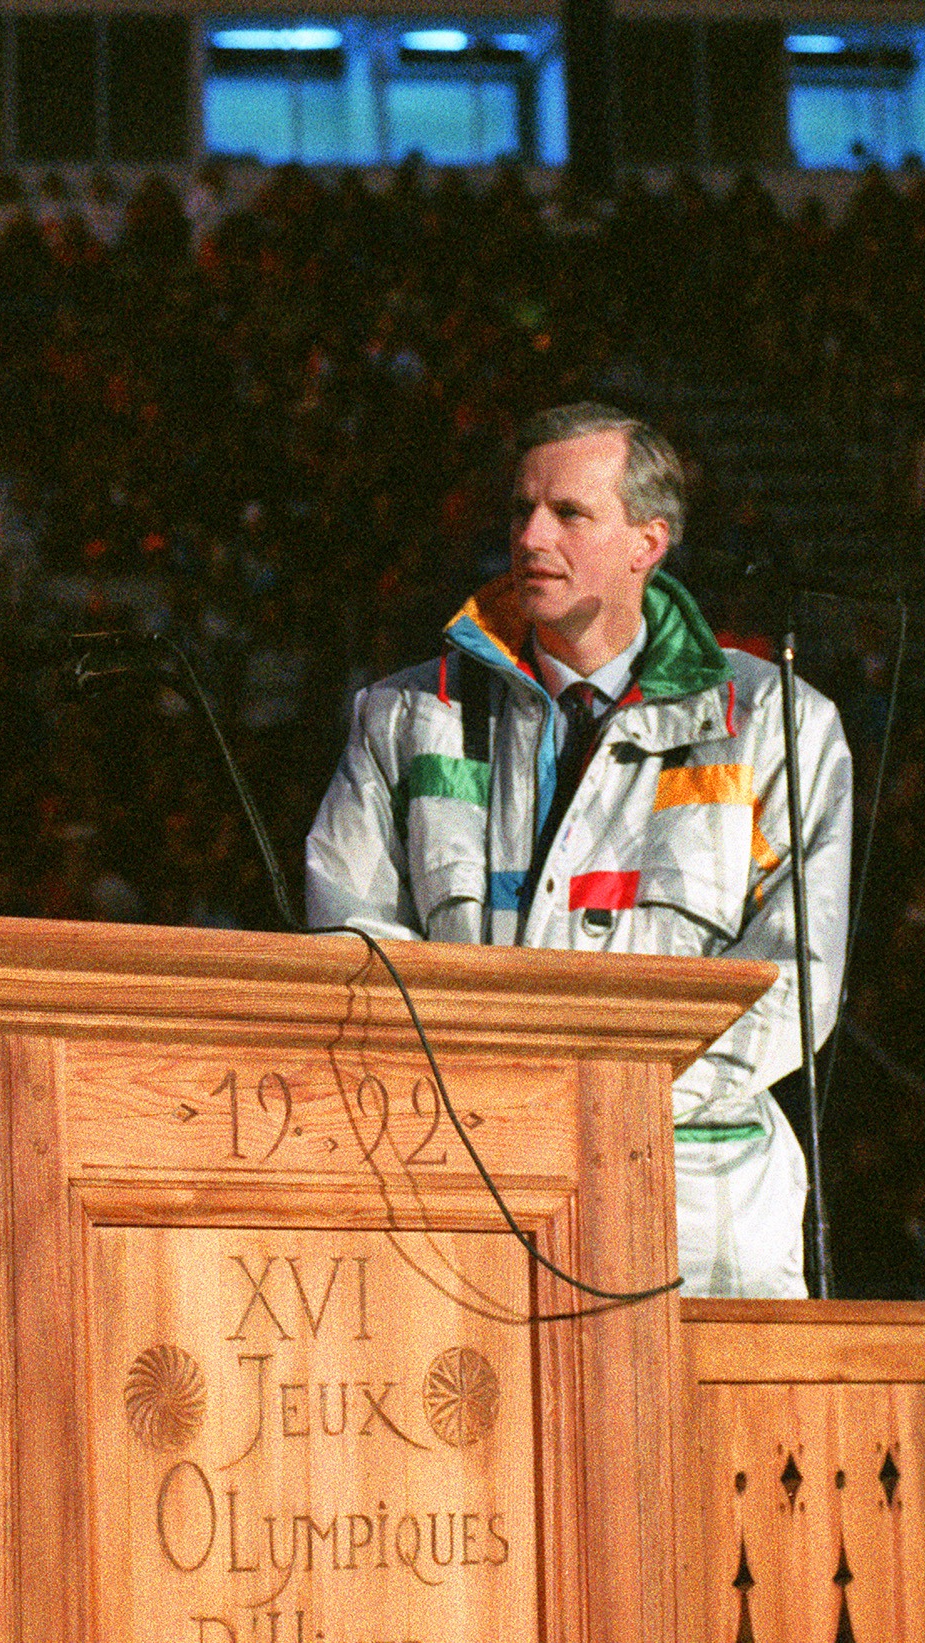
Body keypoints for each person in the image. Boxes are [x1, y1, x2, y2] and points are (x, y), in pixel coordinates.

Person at [305, 403, 852, 1298]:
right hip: (464, 1196)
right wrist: (495, 1110)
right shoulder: (404, 716)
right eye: (521, 510)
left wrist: (612, 1110)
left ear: (649, 541)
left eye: (569, 513)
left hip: (699, 1218)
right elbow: (351, 942)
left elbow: (796, 981)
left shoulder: (776, 723)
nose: (530, 536)